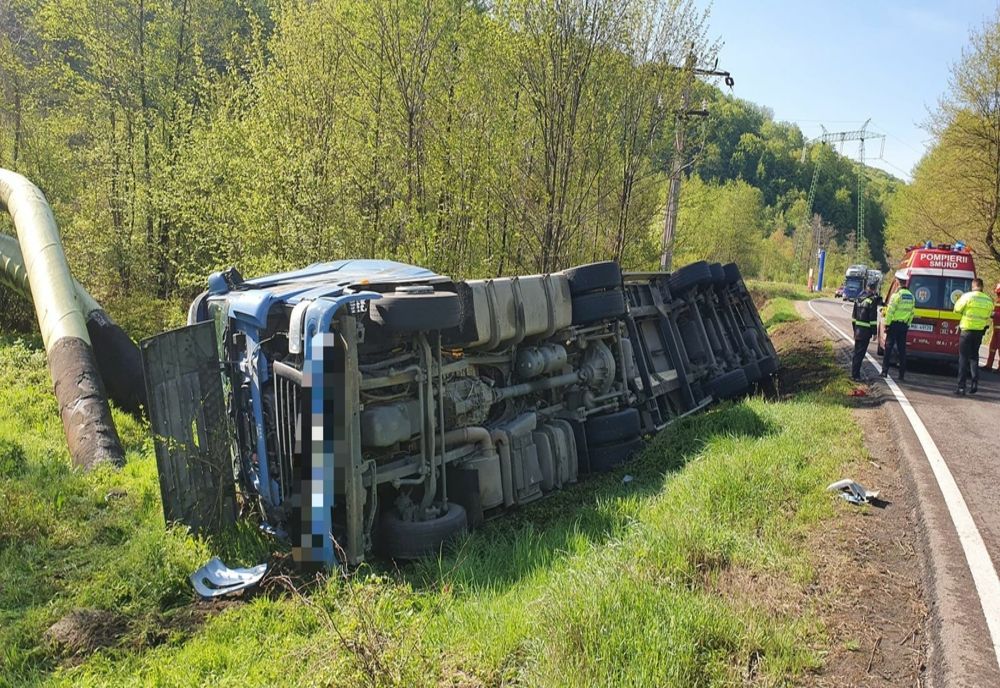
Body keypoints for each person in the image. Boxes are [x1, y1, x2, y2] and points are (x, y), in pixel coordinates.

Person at [954, 277, 995, 395]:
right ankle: (974, 383)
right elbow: (988, 316)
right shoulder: (988, 300)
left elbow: (957, 309)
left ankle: (961, 387)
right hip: (979, 332)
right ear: (982, 286)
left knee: (963, 358)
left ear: (973, 286)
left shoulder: (968, 297)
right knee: (974, 357)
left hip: (966, 330)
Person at [881, 272, 915, 381]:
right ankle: (901, 375)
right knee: (902, 350)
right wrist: (908, 324)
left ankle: (884, 371)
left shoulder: (896, 296)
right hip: (904, 325)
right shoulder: (911, 296)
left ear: (897, 282)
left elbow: (890, 311)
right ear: (906, 283)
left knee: (888, 348)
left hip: (894, 325)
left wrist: (887, 324)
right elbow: (912, 312)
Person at [850, 280, 881, 381]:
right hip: (865, 332)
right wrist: (874, 333)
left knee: (856, 353)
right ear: (874, 289)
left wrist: (855, 330)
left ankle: (854, 373)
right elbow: (872, 319)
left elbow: (853, 317)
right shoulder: (872, 300)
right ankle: (856, 376)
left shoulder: (858, 298)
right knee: (860, 354)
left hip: (858, 331)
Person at [985, 282, 1000, 371]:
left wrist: (995, 314)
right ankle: (989, 365)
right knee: (992, 348)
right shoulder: (997, 301)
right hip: (996, 328)